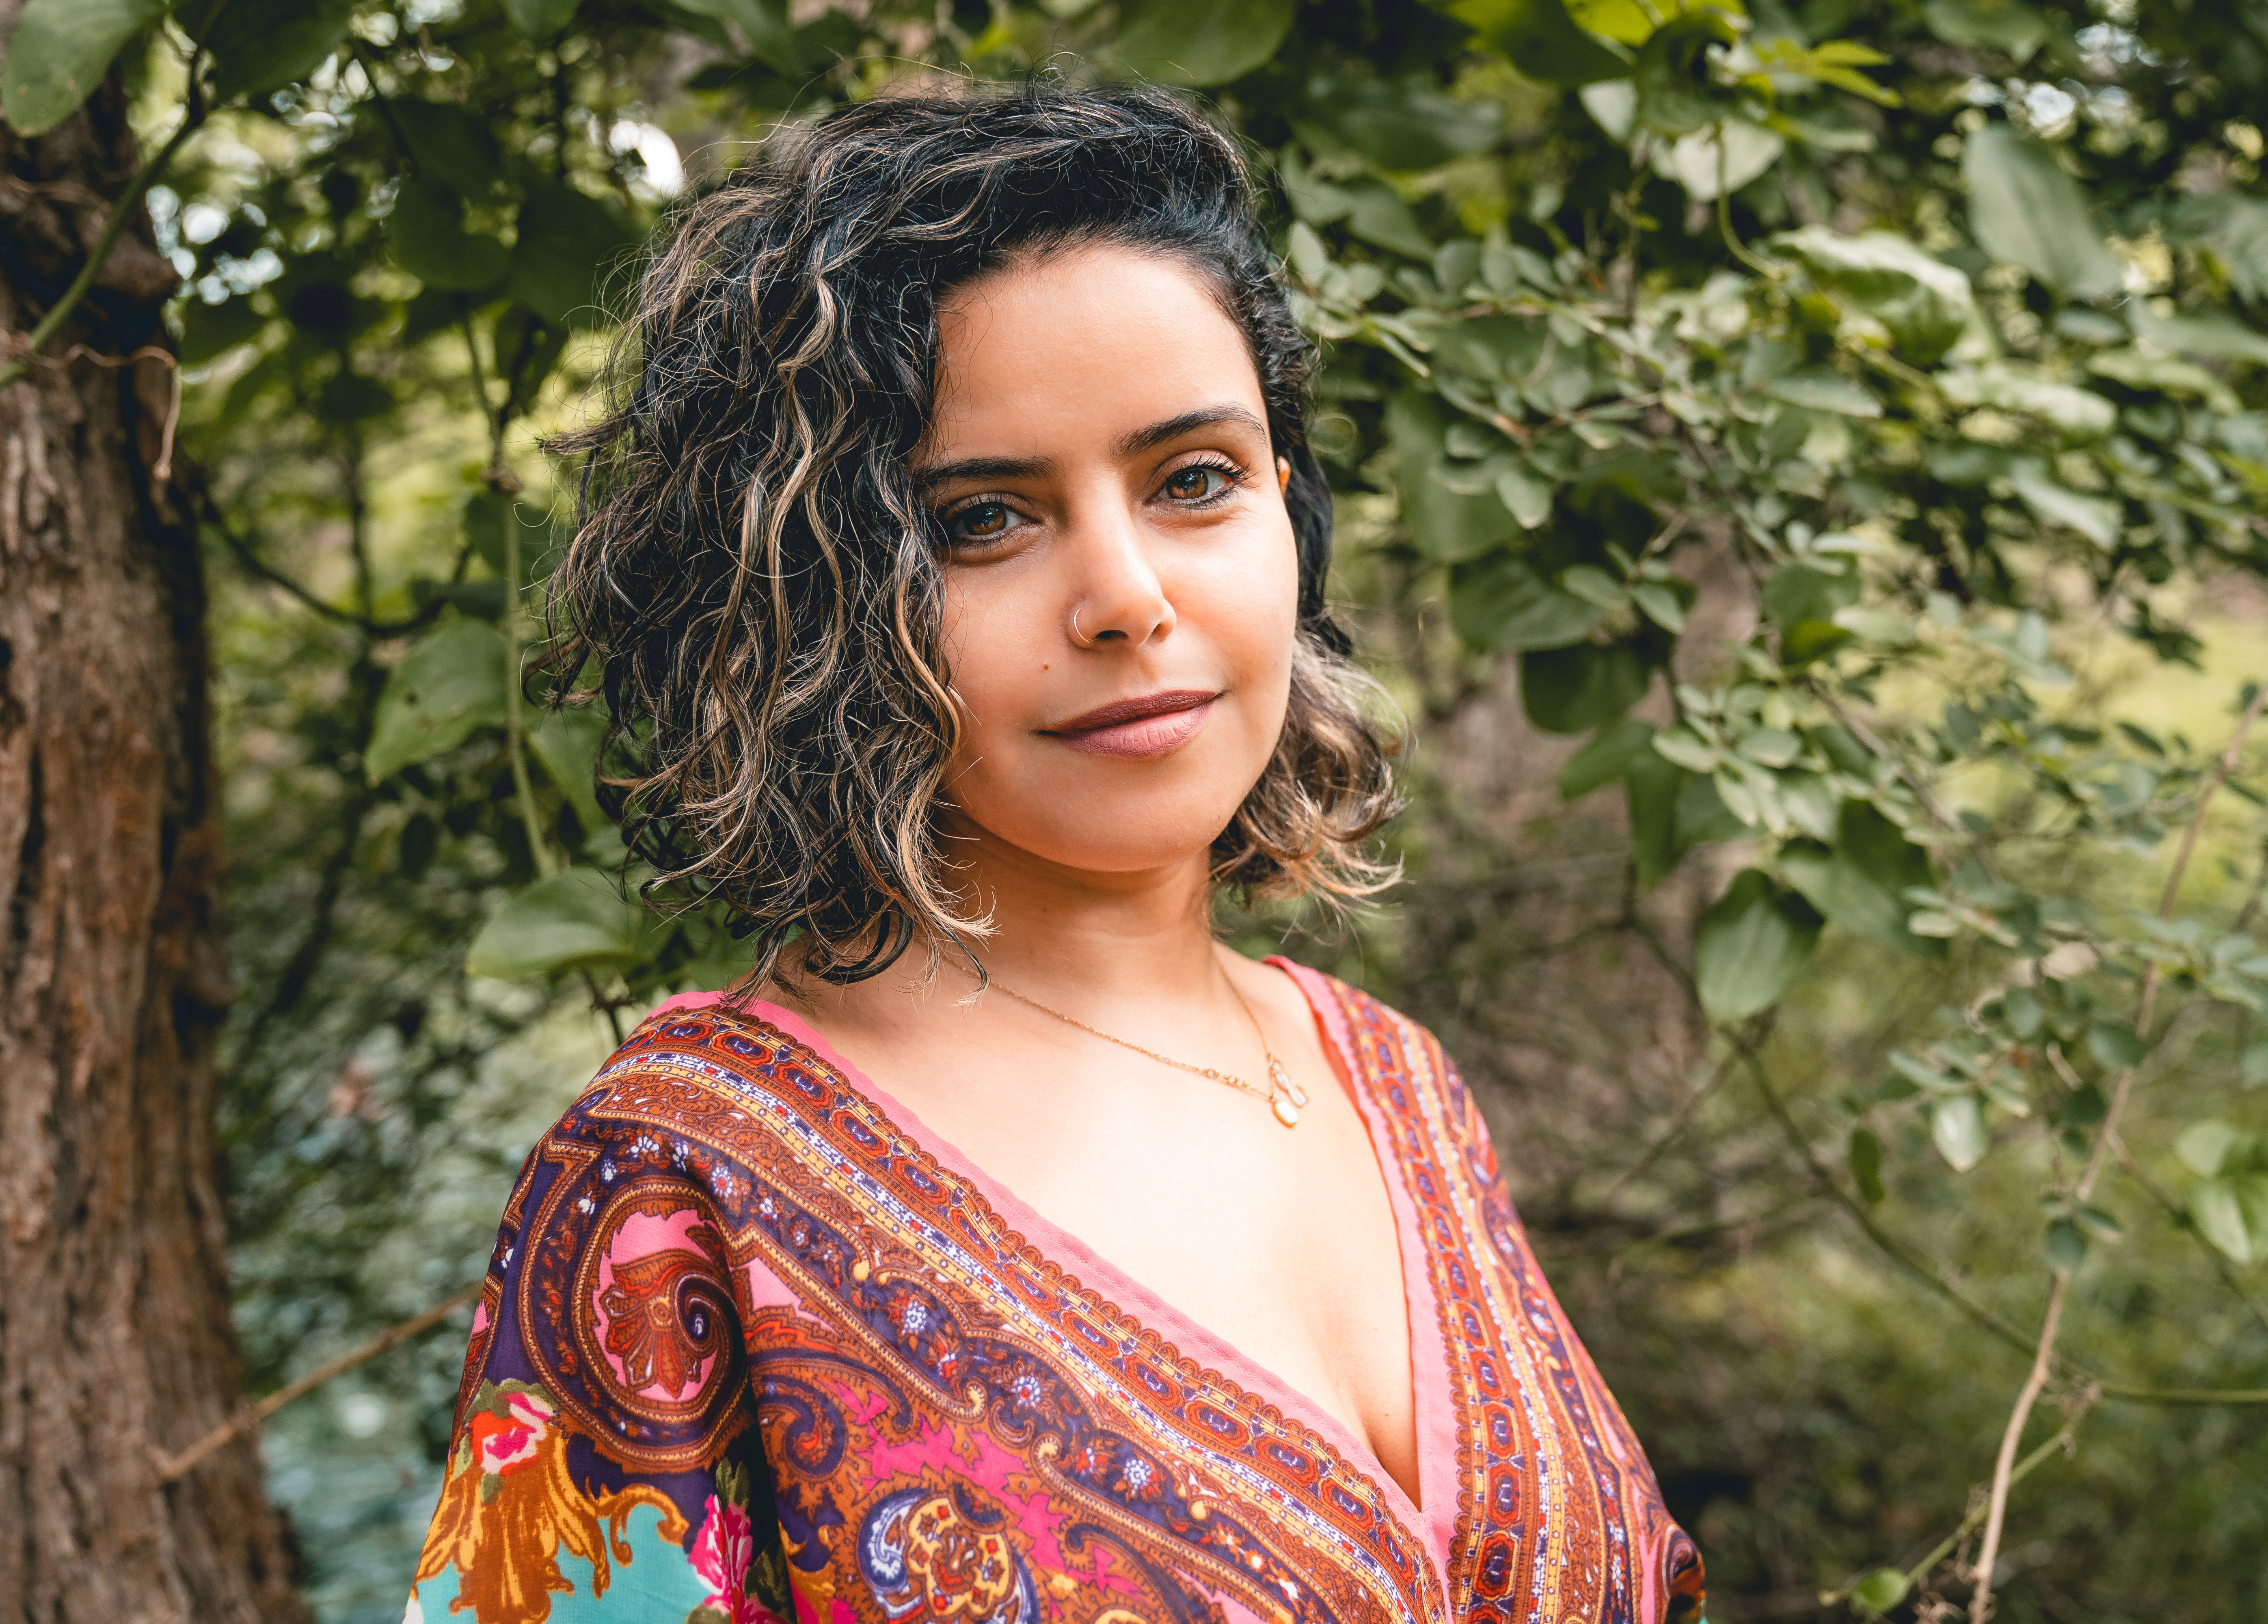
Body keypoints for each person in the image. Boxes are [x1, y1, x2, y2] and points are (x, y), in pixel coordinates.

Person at [405, 84, 1704, 1624]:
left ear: (1289, 511)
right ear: (821, 602)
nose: (1127, 597)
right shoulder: (674, 1188)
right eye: (983, 521)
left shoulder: (1397, 1084)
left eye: (1194, 480)